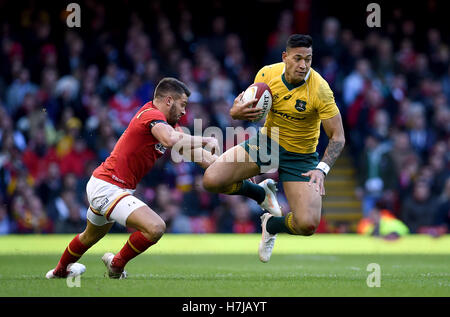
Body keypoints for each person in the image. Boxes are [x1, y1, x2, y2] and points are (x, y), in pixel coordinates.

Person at [45, 77, 218, 279]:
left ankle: (58, 272)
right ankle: (116, 265)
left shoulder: (168, 126)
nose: (184, 111)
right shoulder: (150, 115)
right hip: (109, 187)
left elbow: (199, 155)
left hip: (108, 185)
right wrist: (206, 138)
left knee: (90, 236)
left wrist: (231, 172)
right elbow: (170, 140)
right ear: (169, 100)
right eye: (183, 104)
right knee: (156, 227)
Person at [203, 34, 345, 262]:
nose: (303, 65)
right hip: (267, 143)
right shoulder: (266, 74)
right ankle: (261, 192)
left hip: (302, 156)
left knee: (307, 225)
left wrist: (322, 169)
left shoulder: (320, 89)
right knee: (211, 180)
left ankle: (272, 224)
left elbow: (338, 136)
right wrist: (235, 113)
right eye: (298, 58)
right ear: (285, 57)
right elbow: (241, 109)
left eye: (308, 59)